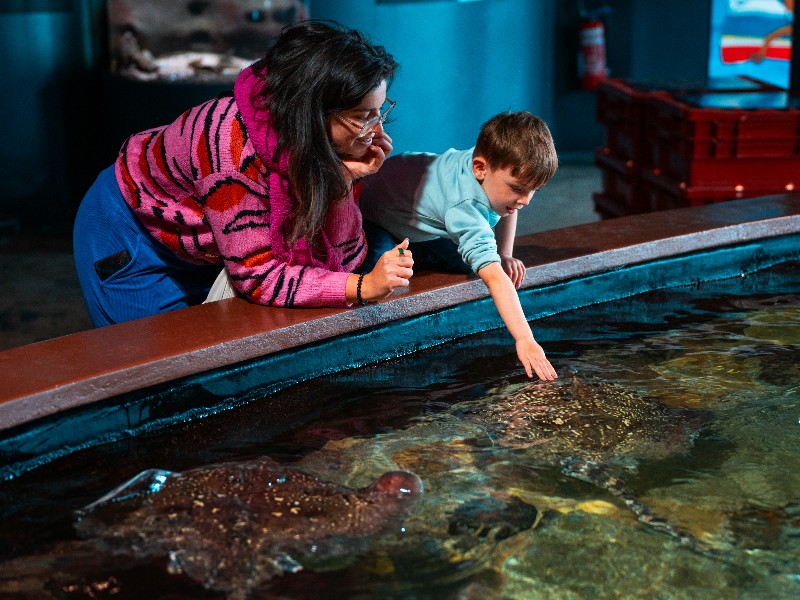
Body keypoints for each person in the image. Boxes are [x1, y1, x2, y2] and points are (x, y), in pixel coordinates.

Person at [73, 20, 414, 327]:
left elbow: (341, 259)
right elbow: (260, 277)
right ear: (310, 111)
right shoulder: (231, 151)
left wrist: (341, 182)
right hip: (133, 232)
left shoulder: (314, 143)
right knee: (158, 374)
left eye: (380, 110)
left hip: (206, 241)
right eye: (363, 116)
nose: (378, 129)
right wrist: (363, 288)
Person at [358, 111, 559, 381]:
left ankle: (416, 246)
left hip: (408, 201)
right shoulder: (465, 207)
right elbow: (496, 279)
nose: (526, 200)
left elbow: (508, 209)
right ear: (480, 168)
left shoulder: (492, 165)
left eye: (534, 190)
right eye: (519, 189)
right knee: (376, 281)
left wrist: (504, 254)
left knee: (472, 258)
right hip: (373, 215)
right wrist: (525, 339)